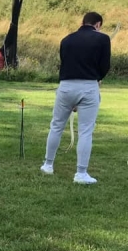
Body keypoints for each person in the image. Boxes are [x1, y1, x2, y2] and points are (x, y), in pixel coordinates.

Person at [40, 12, 111, 184]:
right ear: (98, 24)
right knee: (86, 130)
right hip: (88, 85)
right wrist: (97, 78)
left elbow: (64, 61)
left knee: (56, 125)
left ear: (82, 22)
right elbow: (105, 65)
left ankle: (48, 165)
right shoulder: (102, 39)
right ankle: (81, 173)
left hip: (66, 85)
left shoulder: (67, 39)